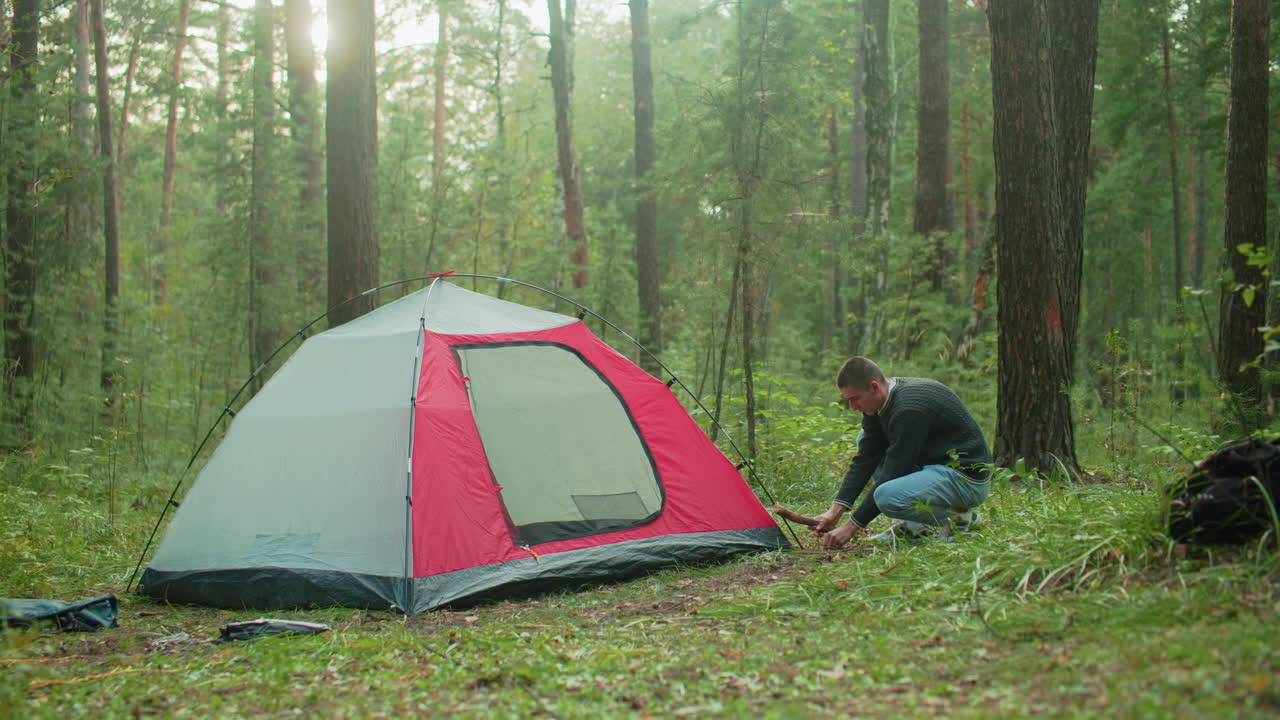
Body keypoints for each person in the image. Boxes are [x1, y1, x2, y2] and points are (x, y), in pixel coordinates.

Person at [811, 356, 992, 548]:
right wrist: (834, 512)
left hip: (966, 479)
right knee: (862, 438)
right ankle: (915, 527)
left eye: (855, 399)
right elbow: (866, 458)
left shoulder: (908, 409)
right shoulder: (880, 402)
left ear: (874, 387)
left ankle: (961, 519)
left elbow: (895, 472)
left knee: (887, 496)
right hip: (935, 467)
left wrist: (851, 526)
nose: (853, 407)